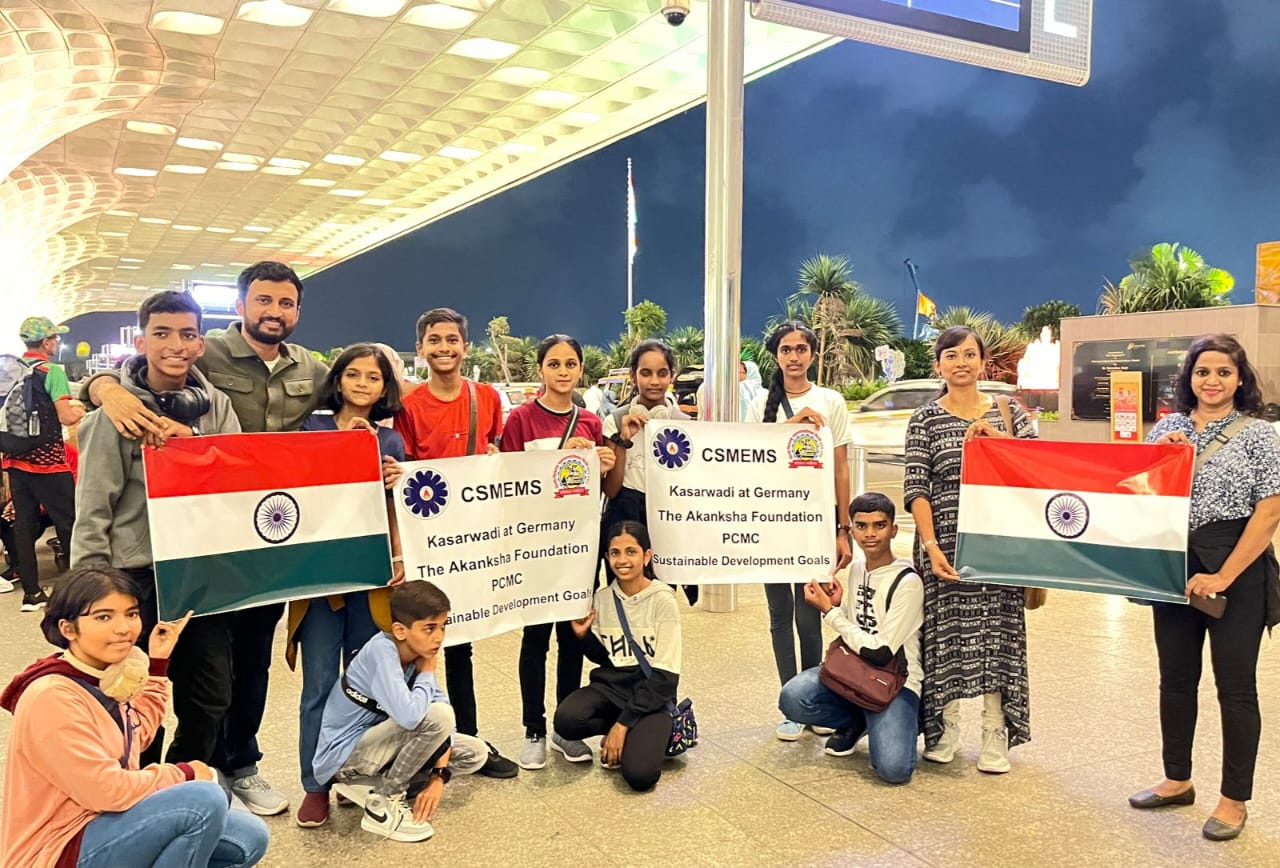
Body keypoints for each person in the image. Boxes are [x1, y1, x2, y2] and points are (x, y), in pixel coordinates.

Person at [86, 261, 331, 815]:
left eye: (286, 302)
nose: (274, 311)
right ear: (240, 306)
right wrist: (106, 390)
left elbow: (365, 388)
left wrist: (371, 429)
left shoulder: (307, 369)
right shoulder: (198, 358)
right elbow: (94, 504)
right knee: (134, 681)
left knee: (232, 676)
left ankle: (218, 771)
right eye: (263, 300)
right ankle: (139, 789)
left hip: (241, 550)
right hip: (146, 567)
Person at [0, 566, 269, 868]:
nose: (123, 628)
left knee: (249, 837)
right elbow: (108, 791)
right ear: (68, 629)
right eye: (103, 617)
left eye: (131, 614)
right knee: (203, 802)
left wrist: (157, 664)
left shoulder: (105, 675)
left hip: (104, 823)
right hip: (57, 848)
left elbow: (136, 736)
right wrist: (185, 773)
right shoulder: (52, 696)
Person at [70, 290, 242, 763]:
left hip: (200, 574)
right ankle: (138, 785)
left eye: (187, 334)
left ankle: (183, 781)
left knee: (210, 697)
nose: (176, 345)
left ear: (200, 344)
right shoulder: (114, 414)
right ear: (141, 342)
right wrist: (89, 590)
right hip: (134, 576)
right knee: (131, 695)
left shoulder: (217, 406)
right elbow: (93, 508)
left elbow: (237, 471)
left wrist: (194, 443)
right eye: (162, 333)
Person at [1128, 334, 1280, 841]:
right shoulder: (1167, 427)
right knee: (1175, 678)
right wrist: (1159, 459)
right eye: (1202, 372)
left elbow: (1270, 512)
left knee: (1235, 687)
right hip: (1174, 564)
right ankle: (1177, 779)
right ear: (1189, 378)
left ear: (1240, 379)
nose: (1212, 381)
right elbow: (1134, 491)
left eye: (1223, 372)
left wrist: (1224, 576)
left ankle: (1234, 799)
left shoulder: (1259, 434)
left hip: (1237, 565)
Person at [392, 307, 518, 779]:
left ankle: (468, 741)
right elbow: (402, 471)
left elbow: (494, 455)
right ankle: (417, 744)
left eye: (451, 340)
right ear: (420, 348)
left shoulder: (485, 397)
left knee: (459, 641)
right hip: (425, 539)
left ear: (465, 347)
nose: (444, 348)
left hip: (470, 539)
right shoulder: (408, 406)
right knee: (415, 643)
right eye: (434, 340)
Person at [904, 325, 1036, 774]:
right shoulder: (924, 419)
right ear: (938, 365)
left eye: (968, 354)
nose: (960, 363)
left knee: (998, 635)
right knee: (945, 636)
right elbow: (916, 487)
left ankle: (996, 731)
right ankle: (945, 727)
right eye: (951, 355)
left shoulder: (1010, 414)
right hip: (942, 545)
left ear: (983, 362)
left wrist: (997, 441)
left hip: (1001, 546)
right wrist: (930, 545)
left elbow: (1038, 470)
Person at [288, 343, 408, 827]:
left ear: (384, 388)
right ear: (337, 380)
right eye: (353, 374)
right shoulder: (311, 428)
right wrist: (346, 447)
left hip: (371, 576)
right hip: (319, 577)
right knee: (319, 683)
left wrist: (398, 549)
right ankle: (315, 783)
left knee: (366, 683)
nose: (362, 384)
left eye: (373, 377)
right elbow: (296, 485)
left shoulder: (391, 441)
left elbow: (395, 508)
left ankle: (355, 773)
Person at [500, 334, 617, 770]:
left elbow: (597, 490)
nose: (563, 371)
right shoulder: (522, 420)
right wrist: (558, 458)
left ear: (581, 369)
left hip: (578, 549)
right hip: (535, 547)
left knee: (572, 638)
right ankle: (533, 728)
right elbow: (509, 481)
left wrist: (604, 465)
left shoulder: (590, 421)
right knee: (535, 640)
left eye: (570, 363)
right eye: (554, 364)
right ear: (540, 370)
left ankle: (565, 730)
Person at [311, 581, 488, 843]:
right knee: (436, 717)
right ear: (400, 630)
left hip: (379, 750)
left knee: (475, 753)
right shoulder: (383, 652)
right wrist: (427, 674)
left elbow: (447, 727)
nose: (439, 637)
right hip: (344, 759)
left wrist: (438, 778)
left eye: (443, 626)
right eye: (429, 628)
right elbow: (411, 717)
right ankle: (383, 800)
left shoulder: (418, 654)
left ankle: (374, 786)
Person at [746, 320, 853, 741]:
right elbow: (750, 460)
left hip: (815, 523)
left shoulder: (831, 401)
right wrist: (789, 428)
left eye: (801, 349)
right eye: (786, 349)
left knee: (810, 615)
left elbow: (841, 469)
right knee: (779, 615)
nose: (794, 356)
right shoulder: (760, 404)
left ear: (812, 353)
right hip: (772, 523)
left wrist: (843, 527)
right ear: (776, 356)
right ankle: (790, 705)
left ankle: (813, 701)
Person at [778, 492, 923, 783]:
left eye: (879, 525)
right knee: (793, 698)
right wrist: (841, 606)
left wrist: (830, 613)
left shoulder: (908, 581)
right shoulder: (857, 568)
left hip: (893, 682)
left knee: (894, 770)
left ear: (894, 529)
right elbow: (859, 626)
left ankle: (902, 719)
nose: (870, 534)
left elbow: (880, 651)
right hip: (853, 673)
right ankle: (858, 720)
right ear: (852, 530)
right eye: (861, 526)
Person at [556, 521, 682, 791]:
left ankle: (639, 733)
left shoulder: (663, 600)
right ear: (607, 557)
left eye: (631, 552)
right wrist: (583, 636)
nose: (622, 560)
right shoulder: (602, 598)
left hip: (652, 696)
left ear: (646, 556)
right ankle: (628, 732)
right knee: (566, 720)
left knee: (640, 777)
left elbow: (665, 677)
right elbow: (606, 658)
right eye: (615, 553)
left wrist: (622, 725)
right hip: (611, 689)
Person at [3, 316, 85, 612]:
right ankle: (77, 591)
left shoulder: (10, 371)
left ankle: (32, 593)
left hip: (15, 458)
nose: (56, 343)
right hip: (48, 462)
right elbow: (66, 416)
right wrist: (81, 410)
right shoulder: (51, 371)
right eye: (55, 338)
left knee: (23, 526)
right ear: (47, 342)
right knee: (70, 523)